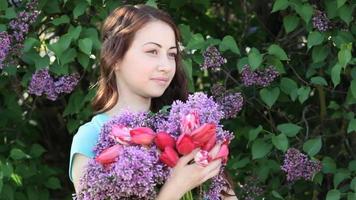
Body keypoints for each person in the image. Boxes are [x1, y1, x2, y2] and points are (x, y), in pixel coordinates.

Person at [69, 4, 237, 200]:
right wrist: (176, 187)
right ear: (114, 58)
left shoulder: (188, 127)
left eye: (171, 54)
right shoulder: (91, 137)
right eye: (152, 51)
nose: (166, 66)